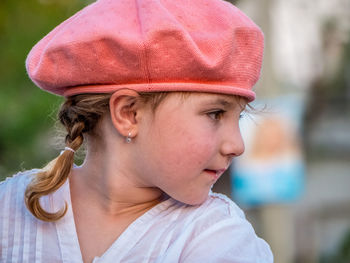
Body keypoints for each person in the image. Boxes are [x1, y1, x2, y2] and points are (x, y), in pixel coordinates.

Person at [0, 0, 273, 262]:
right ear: (128, 113)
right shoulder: (8, 211)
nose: (237, 145)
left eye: (239, 117)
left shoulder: (217, 237)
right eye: (215, 113)